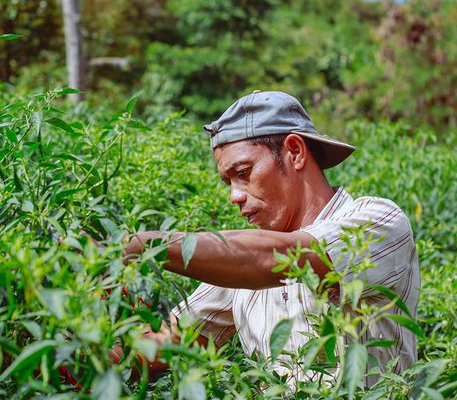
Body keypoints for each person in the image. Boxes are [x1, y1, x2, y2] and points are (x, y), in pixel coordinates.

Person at [112, 90, 420, 383]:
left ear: (295, 152)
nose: (234, 196)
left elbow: (279, 257)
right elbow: (169, 342)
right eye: (228, 182)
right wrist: (80, 354)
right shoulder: (241, 264)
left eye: (243, 173)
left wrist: (144, 246)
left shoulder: (377, 222)